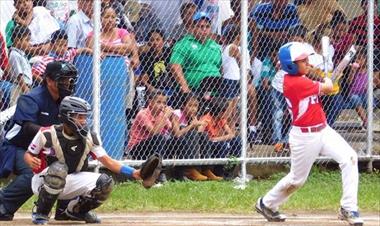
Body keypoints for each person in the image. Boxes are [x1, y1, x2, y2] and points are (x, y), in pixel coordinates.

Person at [255, 42, 363, 226]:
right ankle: (266, 203)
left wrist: (328, 76)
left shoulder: (302, 75)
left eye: (306, 59)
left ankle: (348, 207)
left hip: (323, 129)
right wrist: (330, 80)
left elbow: (323, 81)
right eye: (302, 61)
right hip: (304, 137)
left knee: (350, 158)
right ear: (290, 65)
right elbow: (328, 88)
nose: (307, 63)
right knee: (297, 180)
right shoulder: (294, 82)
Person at [24, 96, 159, 224]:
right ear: (67, 116)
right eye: (80, 117)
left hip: (70, 180)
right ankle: (41, 212)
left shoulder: (90, 137)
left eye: (85, 117)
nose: (84, 121)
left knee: (105, 182)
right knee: (59, 170)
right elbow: (29, 154)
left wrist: (134, 173)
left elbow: (108, 161)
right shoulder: (47, 134)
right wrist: (30, 159)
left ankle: (75, 212)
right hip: (44, 181)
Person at [0, 61, 77, 221]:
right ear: (49, 80)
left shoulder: (67, 100)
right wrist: (54, 133)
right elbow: (28, 127)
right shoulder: (31, 98)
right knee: (34, 172)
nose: (67, 83)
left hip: (47, 149)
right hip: (17, 147)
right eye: (62, 79)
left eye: (69, 79)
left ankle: (66, 210)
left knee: (72, 165)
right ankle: (3, 205)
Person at [126, 89, 172, 160]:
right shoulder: (142, 114)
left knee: (175, 140)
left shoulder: (161, 114)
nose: (162, 106)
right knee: (159, 137)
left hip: (154, 145)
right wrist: (165, 116)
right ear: (150, 102)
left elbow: (170, 128)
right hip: (137, 148)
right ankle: (158, 164)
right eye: (159, 102)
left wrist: (172, 116)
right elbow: (154, 132)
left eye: (164, 103)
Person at [171, 93, 208, 181]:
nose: (193, 108)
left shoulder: (193, 117)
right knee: (192, 134)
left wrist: (198, 126)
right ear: (183, 106)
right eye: (190, 105)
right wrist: (192, 126)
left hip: (186, 143)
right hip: (173, 142)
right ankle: (190, 169)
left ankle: (205, 169)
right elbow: (177, 134)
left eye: (196, 106)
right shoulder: (176, 114)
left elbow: (198, 134)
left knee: (204, 136)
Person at [8, 26, 33, 106]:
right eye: (27, 40)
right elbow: (19, 75)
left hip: (25, 86)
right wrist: (25, 89)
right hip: (19, 87)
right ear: (17, 40)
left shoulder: (21, 54)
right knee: (16, 108)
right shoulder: (14, 55)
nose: (29, 43)